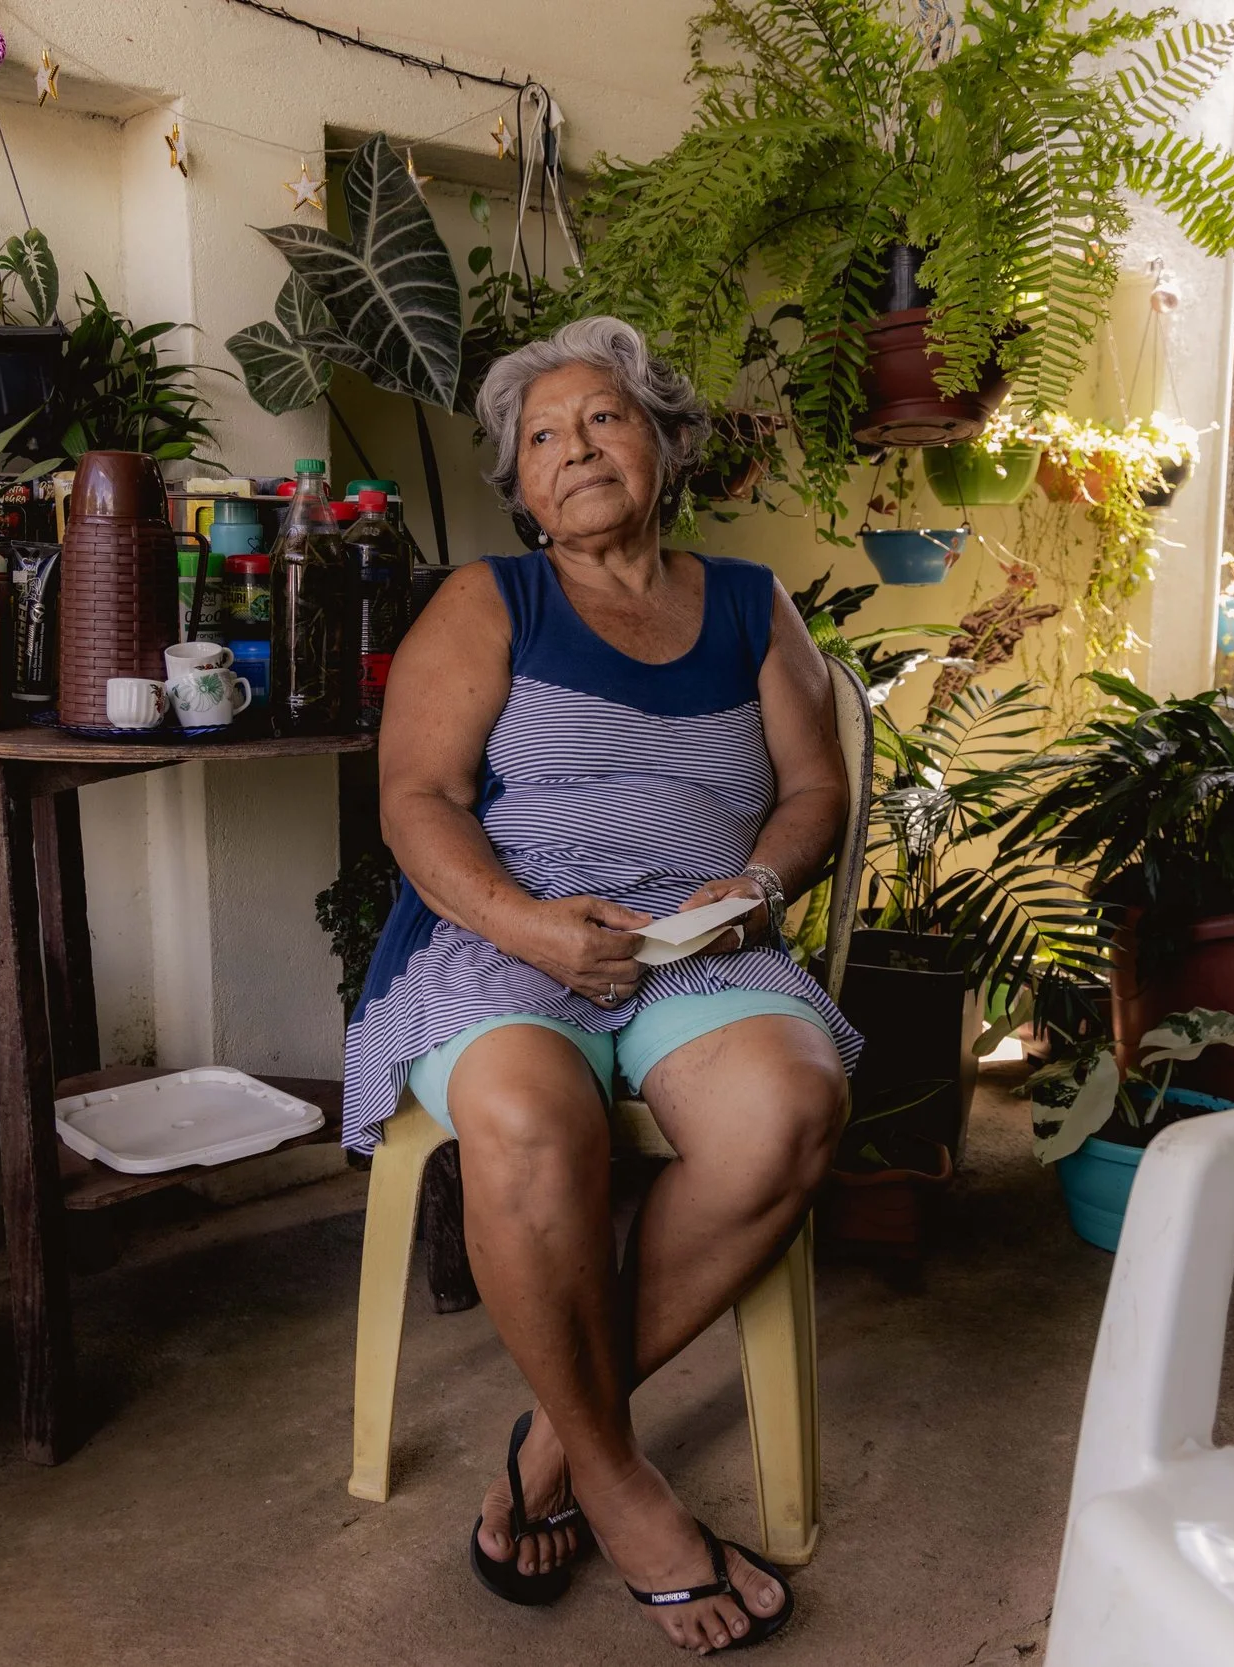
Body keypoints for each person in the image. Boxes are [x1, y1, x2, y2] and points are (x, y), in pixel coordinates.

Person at [343, 315, 860, 1653]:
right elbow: (416, 801)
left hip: (702, 950)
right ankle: (623, 1481)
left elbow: (817, 790)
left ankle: (553, 1446)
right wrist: (529, 926)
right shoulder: (488, 601)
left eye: (605, 419)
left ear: (665, 443)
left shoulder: (750, 604)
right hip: (508, 939)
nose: (576, 450)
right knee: (526, 1119)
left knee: (786, 1110)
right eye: (543, 438)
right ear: (519, 488)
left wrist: (754, 887)